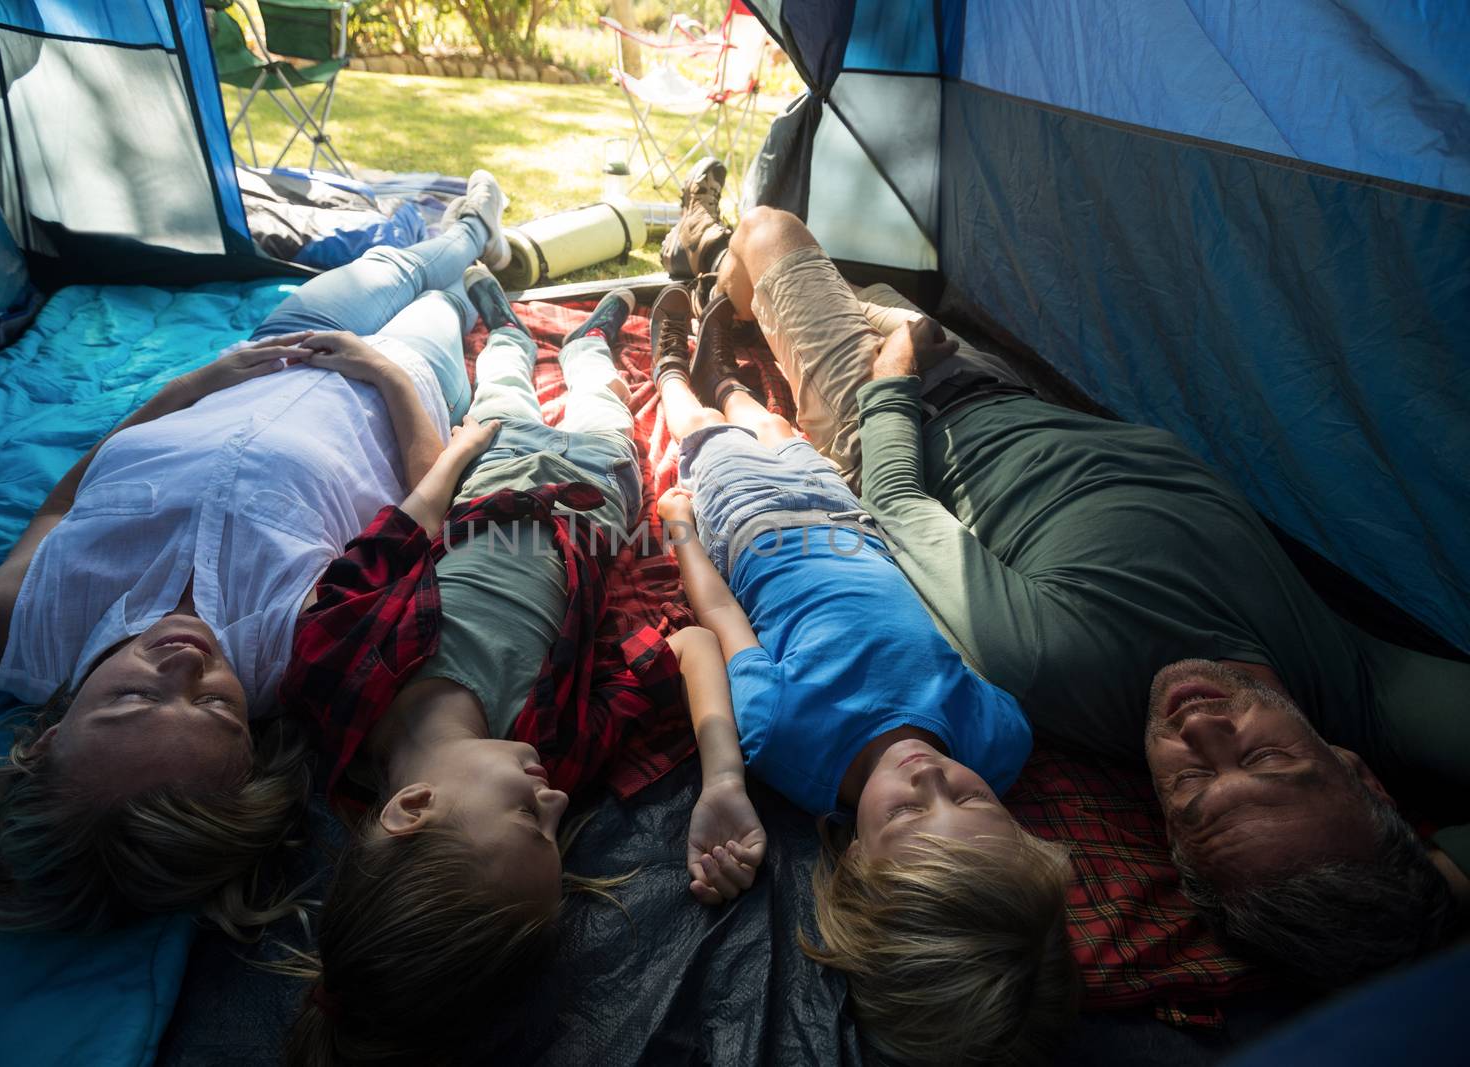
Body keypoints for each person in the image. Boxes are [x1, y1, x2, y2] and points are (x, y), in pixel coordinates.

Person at [677, 185, 1469, 985]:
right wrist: (1429, 887)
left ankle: (707, 243)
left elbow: (898, 502)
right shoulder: (1360, 684)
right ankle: (723, 273)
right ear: (1357, 769)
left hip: (910, 411)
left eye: (1191, 786)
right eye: (1264, 757)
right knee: (858, 289)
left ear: (1166, 828)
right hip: (1027, 390)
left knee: (770, 233)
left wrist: (890, 381)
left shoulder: (1059, 664)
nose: (1200, 730)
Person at [0, 171, 516, 936]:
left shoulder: (13, 621)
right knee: (444, 302)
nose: (186, 662)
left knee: (398, 268)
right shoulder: (288, 649)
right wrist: (390, 378)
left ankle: (472, 230)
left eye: (133, 697)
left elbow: (64, 500)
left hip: (274, 349)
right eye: (215, 706)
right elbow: (421, 517)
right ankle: (477, 268)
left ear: (46, 740)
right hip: (394, 388)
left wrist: (200, 381)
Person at [646, 283, 1078, 1067]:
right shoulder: (998, 740)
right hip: (849, 521)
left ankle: (673, 371)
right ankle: (728, 372)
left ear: (852, 860)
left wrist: (682, 534)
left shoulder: (784, 736)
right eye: (971, 796)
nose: (933, 777)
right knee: (773, 423)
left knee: (705, 433)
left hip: (756, 528)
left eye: (910, 814)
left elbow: (723, 624)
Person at [276, 273, 693, 1065]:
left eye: (527, 817)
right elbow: (663, 660)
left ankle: (506, 330)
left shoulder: (327, 673)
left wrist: (457, 453)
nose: (558, 799)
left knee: (501, 384)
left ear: (414, 807)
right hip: (592, 499)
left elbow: (392, 539)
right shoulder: (556, 748)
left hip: (488, 479)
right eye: (557, 828)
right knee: (605, 402)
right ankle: (589, 346)